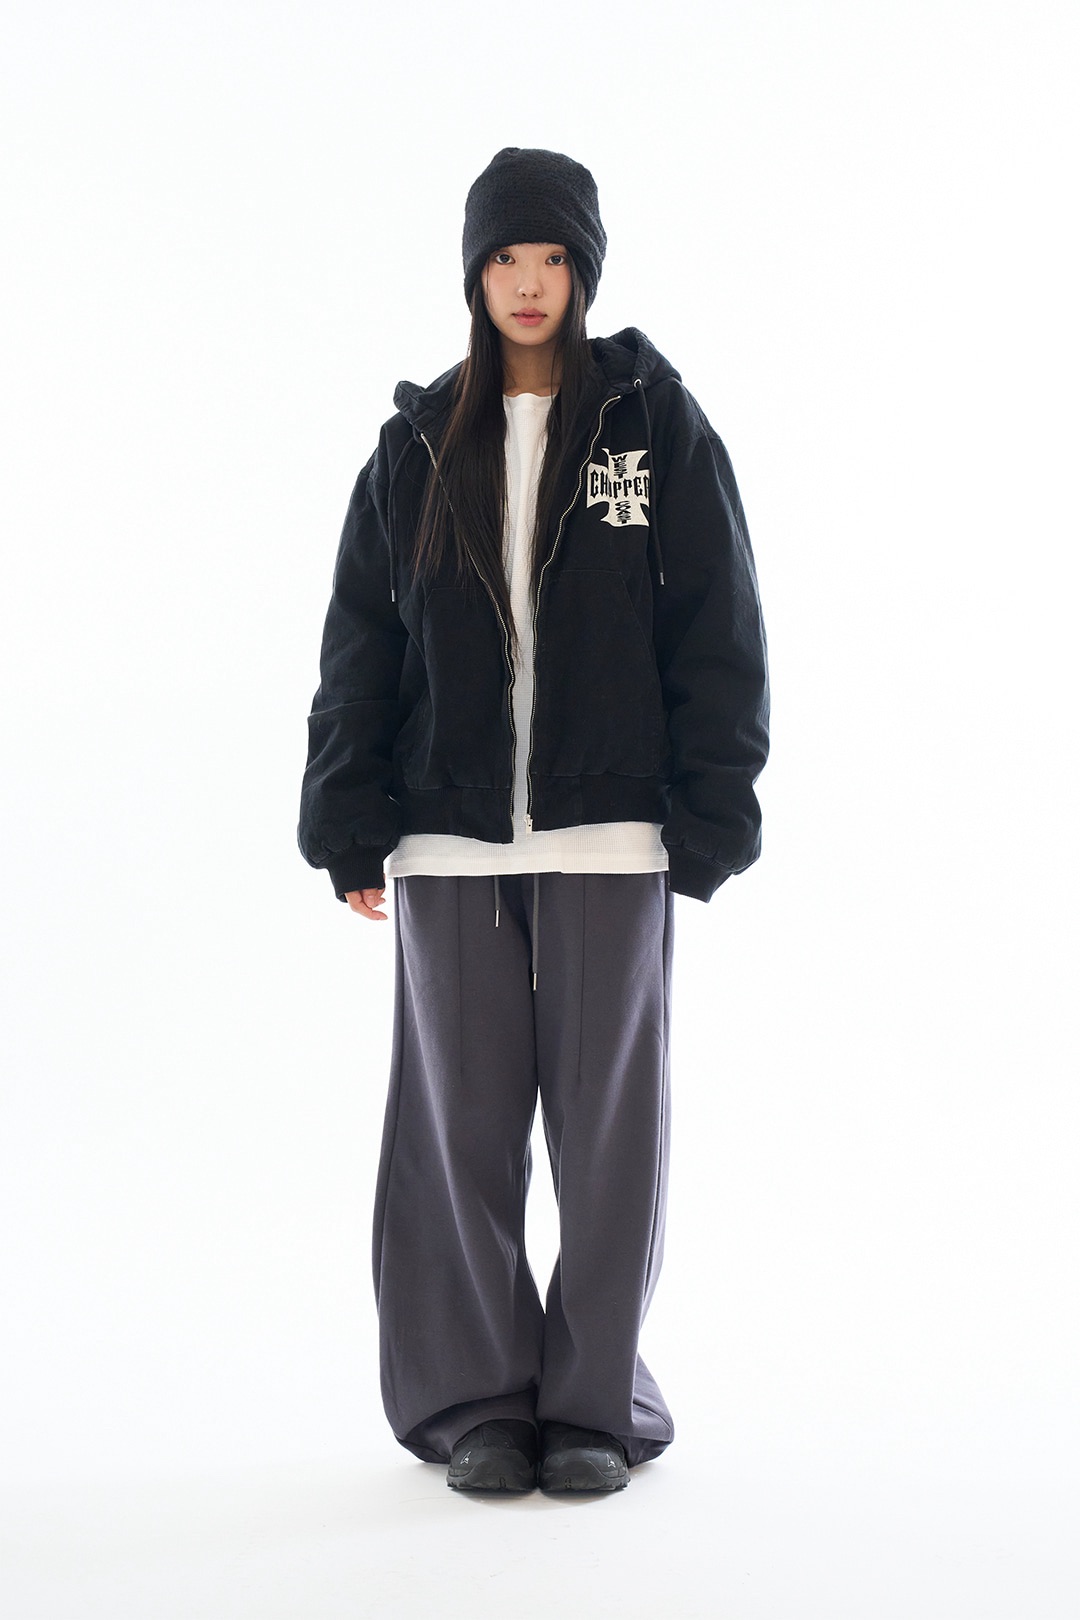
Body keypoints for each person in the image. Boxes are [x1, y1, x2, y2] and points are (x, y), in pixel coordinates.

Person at [297, 146, 770, 1495]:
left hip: (612, 831)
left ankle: (595, 1406)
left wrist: (712, 810)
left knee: (609, 1132)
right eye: (504, 257)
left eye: (550, 257)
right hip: (448, 838)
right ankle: (478, 1404)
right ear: (473, 273)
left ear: (584, 270)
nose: (526, 282)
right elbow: (361, 643)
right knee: (457, 1124)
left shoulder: (652, 423)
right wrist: (348, 817)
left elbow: (720, 623)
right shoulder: (417, 443)